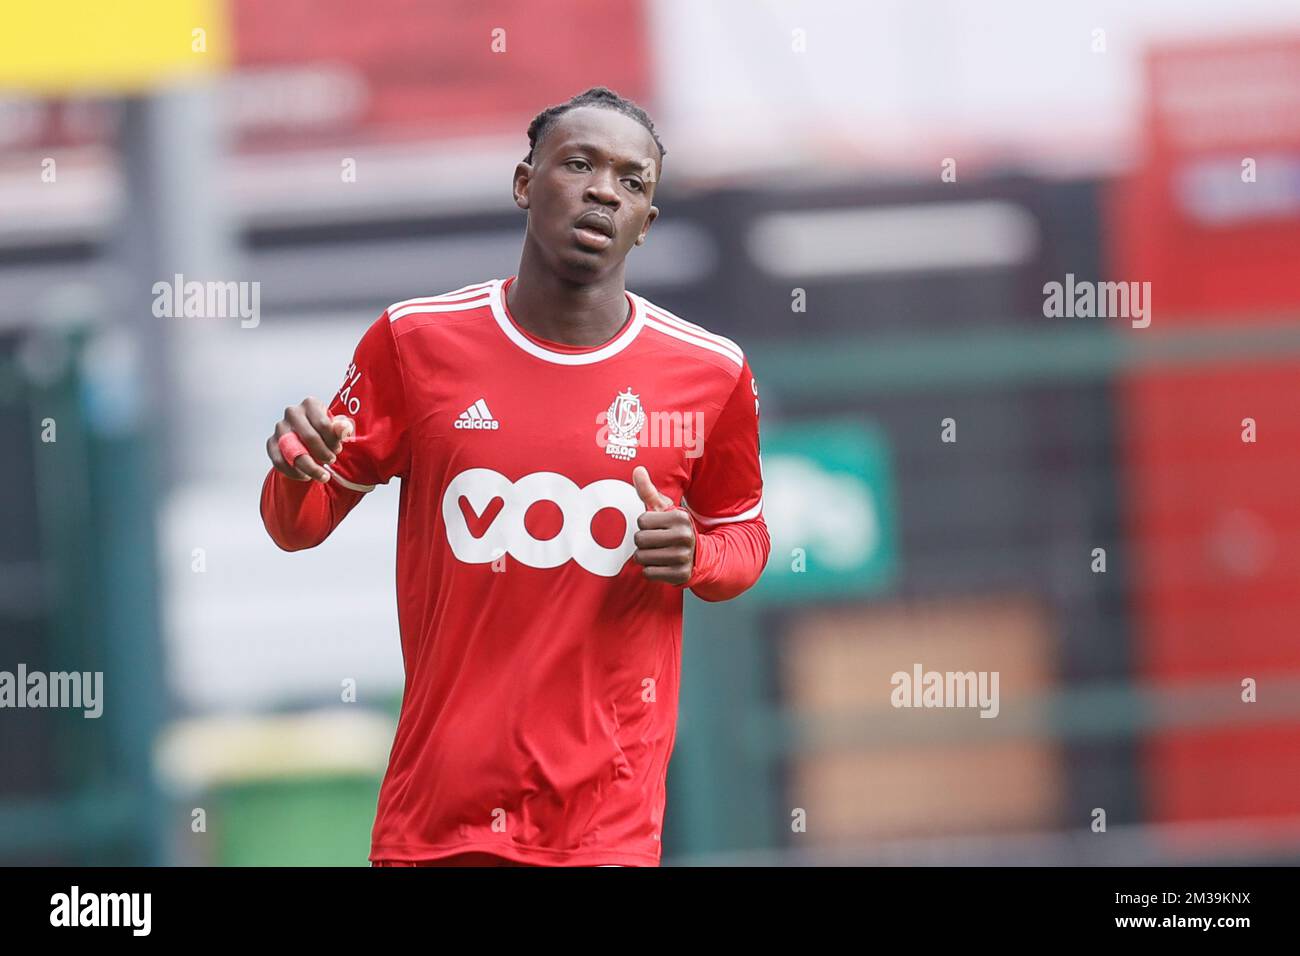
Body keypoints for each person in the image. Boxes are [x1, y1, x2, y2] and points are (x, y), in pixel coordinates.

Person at [260, 87, 770, 867]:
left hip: (607, 820)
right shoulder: (415, 343)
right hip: (442, 814)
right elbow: (297, 526)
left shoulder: (710, 372)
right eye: (579, 164)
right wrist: (298, 471)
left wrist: (697, 554)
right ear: (524, 183)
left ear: (647, 223)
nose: (605, 189)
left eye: (633, 182)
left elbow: (744, 534)